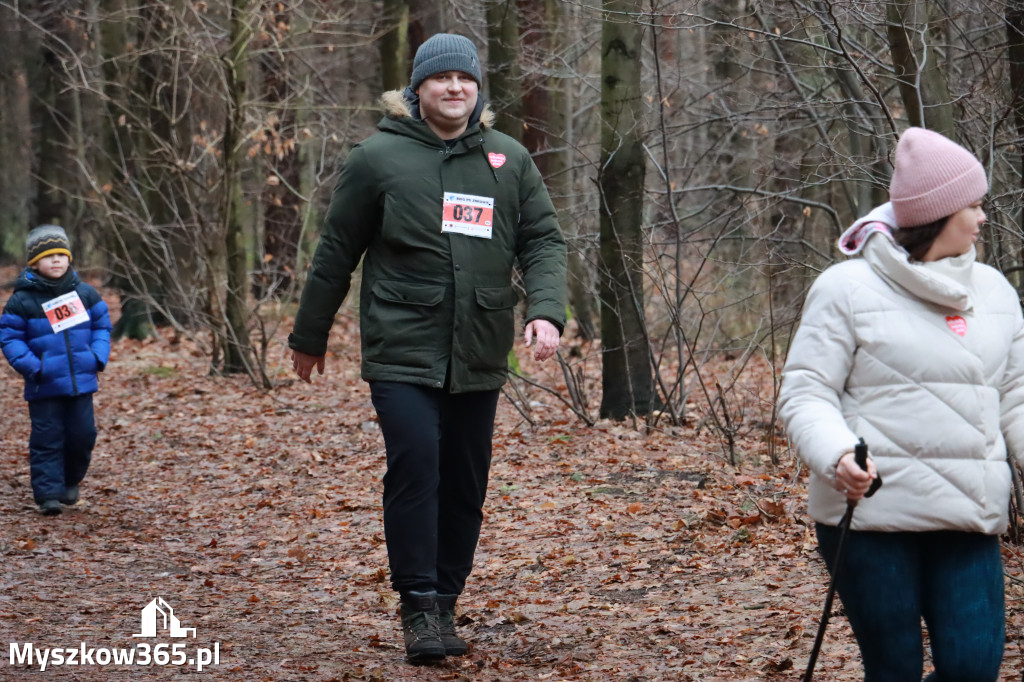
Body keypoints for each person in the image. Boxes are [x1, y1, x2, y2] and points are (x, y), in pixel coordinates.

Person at [288, 33, 567, 664]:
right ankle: (417, 604)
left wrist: (546, 311)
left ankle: (445, 599)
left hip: (479, 347)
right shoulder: (378, 159)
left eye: (464, 79)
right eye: (440, 79)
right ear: (417, 89)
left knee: (465, 479)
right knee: (418, 464)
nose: (454, 88)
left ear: (477, 89)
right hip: (401, 345)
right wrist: (311, 334)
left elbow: (544, 240)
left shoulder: (507, 159)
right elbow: (337, 250)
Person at [779, 127, 1024, 681]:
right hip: (871, 518)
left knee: (972, 668)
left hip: (966, 517)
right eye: (974, 205)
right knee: (894, 671)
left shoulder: (995, 293)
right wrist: (838, 453)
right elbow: (806, 391)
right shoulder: (846, 288)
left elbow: (1016, 395)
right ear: (940, 214)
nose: (984, 218)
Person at [0, 225, 111, 516]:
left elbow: (102, 326)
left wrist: (97, 356)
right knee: (47, 438)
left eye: (61, 255)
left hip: (81, 382)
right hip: (44, 384)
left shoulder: (84, 293)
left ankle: (70, 481)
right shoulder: (21, 300)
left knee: (83, 435)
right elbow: (10, 338)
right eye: (49, 257)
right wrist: (34, 367)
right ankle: (47, 494)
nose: (57, 261)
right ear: (35, 263)